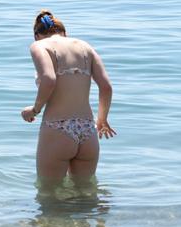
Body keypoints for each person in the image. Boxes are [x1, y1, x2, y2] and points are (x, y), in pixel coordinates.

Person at [19, 10, 115, 186]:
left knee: (49, 195)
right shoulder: (85, 46)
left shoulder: (39, 46)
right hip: (87, 130)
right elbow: (106, 87)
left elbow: (49, 80)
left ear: (36, 35)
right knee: (86, 195)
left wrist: (34, 110)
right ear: (64, 32)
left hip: (58, 129)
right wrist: (102, 120)